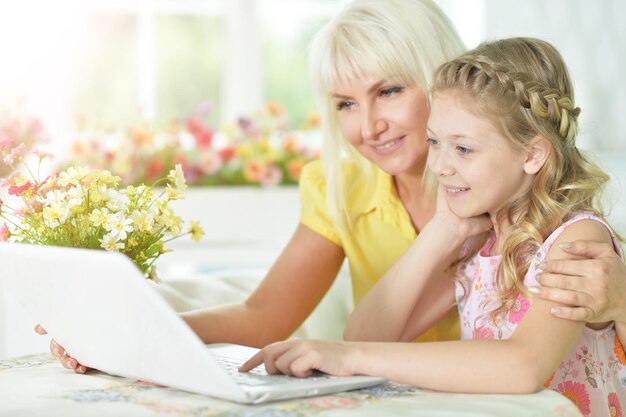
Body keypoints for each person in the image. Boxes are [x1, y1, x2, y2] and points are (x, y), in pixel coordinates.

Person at [42, 0, 626, 376]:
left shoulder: (560, 238)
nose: (368, 125)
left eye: (390, 91)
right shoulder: (477, 227)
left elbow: (523, 366)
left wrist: (345, 355)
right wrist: (125, 340)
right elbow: (319, 324)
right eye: (345, 103)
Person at [240, 38, 625, 416]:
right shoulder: (479, 243)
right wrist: (442, 229)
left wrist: (353, 358)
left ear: (533, 154)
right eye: (434, 141)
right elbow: (366, 335)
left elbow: (523, 364)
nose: (439, 165)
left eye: (463, 148)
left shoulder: (576, 240)